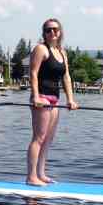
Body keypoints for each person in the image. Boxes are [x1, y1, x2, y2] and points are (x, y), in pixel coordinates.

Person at [26, 18, 79, 185]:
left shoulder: (62, 52)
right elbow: (33, 74)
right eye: (48, 30)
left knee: (48, 139)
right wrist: (35, 96)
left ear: (60, 31)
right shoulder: (41, 49)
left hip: (55, 99)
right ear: (44, 33)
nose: (52, 32)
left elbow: (66, 77)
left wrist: (71, 99)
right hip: (41, 98)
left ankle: (41, 174)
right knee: (39, 138)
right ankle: (31, 177)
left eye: (55, 29)